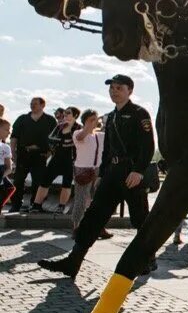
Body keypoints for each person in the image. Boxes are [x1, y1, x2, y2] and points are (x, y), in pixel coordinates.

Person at [38, 75, 155, 278]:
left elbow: (148, 146)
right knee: (93, 216)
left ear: (130, 91)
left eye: (119, 88)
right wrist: (102, 174)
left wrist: (139, 171)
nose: (114, 91)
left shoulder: (139, 114)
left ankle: (147, 259)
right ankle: (73, 261)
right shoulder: (110, 117)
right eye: (112, 88)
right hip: (112, 173)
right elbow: (107, 149)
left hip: (131, 173)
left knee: (140, 218)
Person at [8, 97, 57, 213]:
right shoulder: (22, 119)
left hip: (40, 155)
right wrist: (13, 153)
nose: (32, 105)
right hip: (23, 154)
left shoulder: (50, 120)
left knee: (38, 181)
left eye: (35, 103)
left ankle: (35, 205)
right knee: (18, 180)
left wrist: (49, 153)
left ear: (42, 105)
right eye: (31, 103)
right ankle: (16, 204)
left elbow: (54, 140)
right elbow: (14, 137)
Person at [28, 106, 81, 214]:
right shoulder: (60, 126)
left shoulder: (79, 128)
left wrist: (63, 141)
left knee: (66, 183)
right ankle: (36, 205)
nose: (65, 115)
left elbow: (76, 142)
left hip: (70, 160)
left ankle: (61, 207)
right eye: (65, 113)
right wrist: (64, 141)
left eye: (68, 113)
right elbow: (50, 139)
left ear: (75, 115)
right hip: (56, 158)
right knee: (45, 181)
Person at [69, 109, 106, 238]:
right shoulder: (78, 133)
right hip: (83, 169)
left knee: (99, 200)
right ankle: (76, 227)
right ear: (85, 121)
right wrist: (88, 126)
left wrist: (105, 123)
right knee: (81, 198)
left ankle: (99, 227)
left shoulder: (100, 135)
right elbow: (80, 137)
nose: (95, 122)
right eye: (92, 119)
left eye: (96, 119)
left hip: (97, 169)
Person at [0, 119, 14, 209]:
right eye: (6, 129)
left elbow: (9, 168)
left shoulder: (5, 147)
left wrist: (1, 176)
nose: (9, 133)